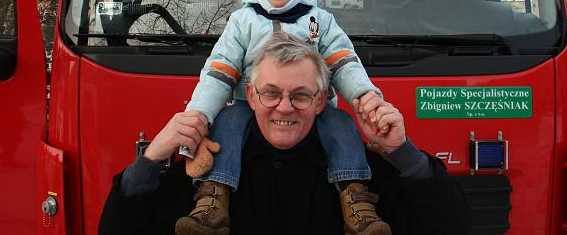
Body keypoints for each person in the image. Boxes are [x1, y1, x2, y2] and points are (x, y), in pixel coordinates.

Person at [98, 32, 472, 235]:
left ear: (323, 99)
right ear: (250, 95)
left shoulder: (362, 174)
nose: (285, 107)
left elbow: (451, 228)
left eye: (301, 95)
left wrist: (404, 153)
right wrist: (149, 162)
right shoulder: (208, 177)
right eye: (272, 93)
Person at [177, 0, 390, 234]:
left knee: (341, 122)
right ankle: (213, 201)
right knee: (227, 121)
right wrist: (200, 112)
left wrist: (364, 94)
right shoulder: (242, 21)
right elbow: (219, 72)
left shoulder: (321, 20)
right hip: (251, 107)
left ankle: (356, 201)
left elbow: (344, 62)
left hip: (310, 108)